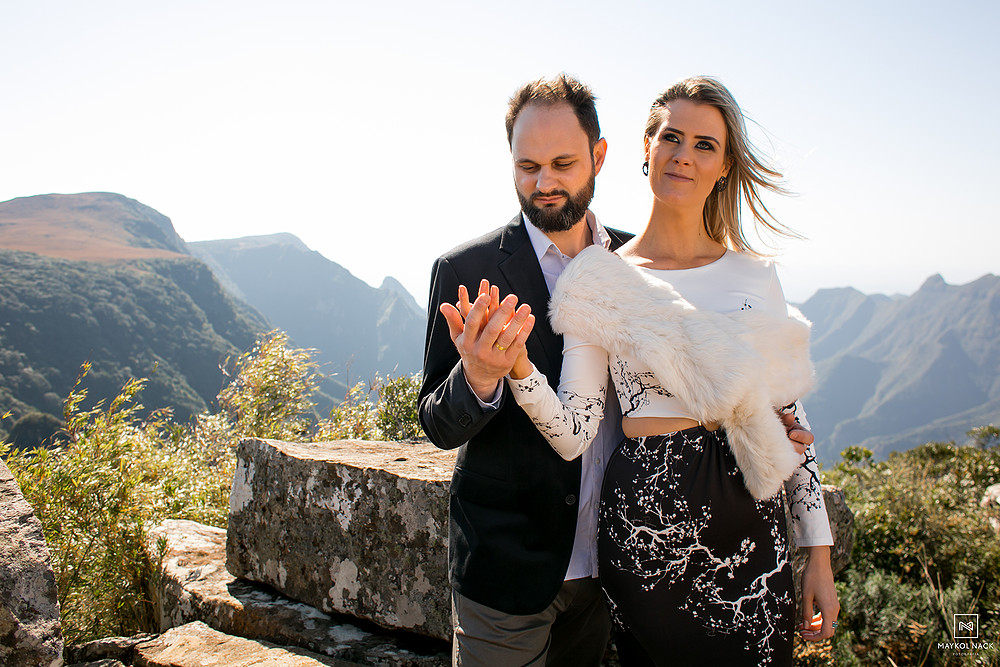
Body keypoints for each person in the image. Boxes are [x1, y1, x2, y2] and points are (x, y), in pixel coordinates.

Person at [497, 76, 840, 666]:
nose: (684, 154)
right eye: (671, 137)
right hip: (648, 523)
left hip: (751, 520)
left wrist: (819, 553)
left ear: (725, 165)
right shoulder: (597, 278)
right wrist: (519, 369)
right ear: (646, 149)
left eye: (705, 144)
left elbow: (791, 416)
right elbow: (574, 432)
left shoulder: (756, 277)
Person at [418, 74, 633, 667]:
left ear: (600, 155)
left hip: (612, 570)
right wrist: (480, 379)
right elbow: (435, 423)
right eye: (527, 166)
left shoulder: (638, 262)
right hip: (506, 573)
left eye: (563, 163)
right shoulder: (468, 267)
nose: (543, 183)